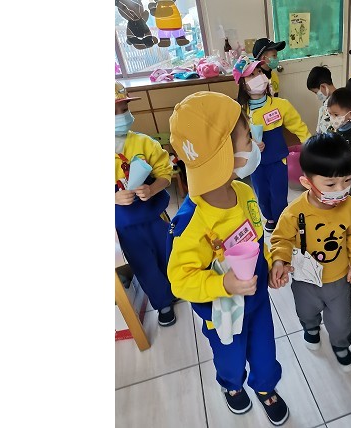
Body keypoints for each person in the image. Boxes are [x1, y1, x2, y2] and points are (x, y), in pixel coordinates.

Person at [167, 91, 289, 426]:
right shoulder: (192, 222)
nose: (255, 144)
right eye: (248, 138)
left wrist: (273, 262)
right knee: (230, 358)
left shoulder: (245, 192)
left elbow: (257, 239)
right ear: (223, 153)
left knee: (265, 352)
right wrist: (224, 284)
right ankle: (231, 386)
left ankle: (265, 386)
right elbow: (180, 280)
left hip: (257, 299)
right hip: (221, 313)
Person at [269, 133, 351, 371]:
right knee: (306, 310)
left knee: (342, 320)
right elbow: (281, 238)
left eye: (347, 180)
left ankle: (340, 343)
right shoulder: (294, 212)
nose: (341, 189)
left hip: (338, 279)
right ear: (307, 183)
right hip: (305, 279)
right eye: (331, 185)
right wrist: (279, 260)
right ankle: (310, 328)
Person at [114, 81, 177, 326]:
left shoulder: (144, 142)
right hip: (126, 225)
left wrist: (152, 188)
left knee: (168, 252)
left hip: (154, 215)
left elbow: (165, 172)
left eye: (124, 109)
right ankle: (162, 302)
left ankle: (178, 286)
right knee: (144, 265)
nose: (121, 116)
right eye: (113, 111)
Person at [233, 55, 311, 234]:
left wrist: (309, 142)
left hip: (277, 159)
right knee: (262, 194)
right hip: (255, 163)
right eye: (252, 75)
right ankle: (269, 217)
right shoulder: (239, 111)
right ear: (242, 84)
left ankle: (281, 219)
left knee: (279, 193)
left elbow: (297, 125)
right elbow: (235, 136)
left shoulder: (280, 105)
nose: (259, 77)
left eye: (260, 72)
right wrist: (251, 143)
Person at [306, 66, 337, 134]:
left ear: (323, 87)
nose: (316, 96)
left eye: (315, 92)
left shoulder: (341, 102)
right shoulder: (324, 106)